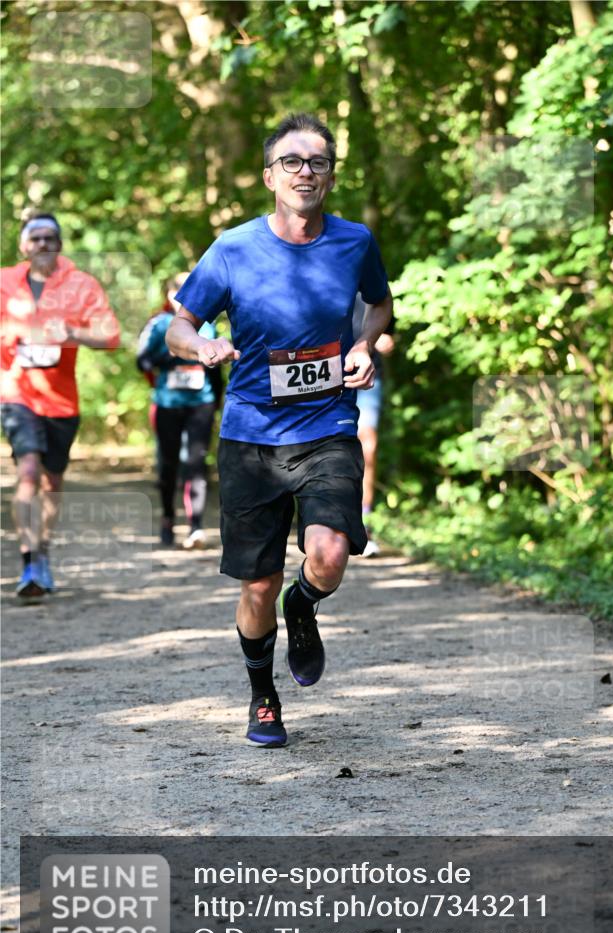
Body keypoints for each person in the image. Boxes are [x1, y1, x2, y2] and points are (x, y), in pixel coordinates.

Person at [166, 112, 393, 748]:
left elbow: (379, 303)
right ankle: (262, 695)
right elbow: (179, 326)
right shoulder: (233, 249)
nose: (304, 172)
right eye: (291, 162)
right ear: (270, 176)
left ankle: (305, 602)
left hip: (328, 425)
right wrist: (203, 347)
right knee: (257, 585)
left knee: (330, 554)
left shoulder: (355, 242)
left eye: (317, 162)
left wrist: (363, 344)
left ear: (331, 177)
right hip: (251, 436)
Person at [0, 212, 120, 598]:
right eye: (35, 238)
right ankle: (29, 561)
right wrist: (14, 333)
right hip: (16, 392)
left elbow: (110, 335)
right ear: (23, 246)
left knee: (51, 482)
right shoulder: (4, 281)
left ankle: (43, 552)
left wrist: (71, 332)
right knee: (28, 471)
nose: (42, 244)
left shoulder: (81, 285)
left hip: (61, 400)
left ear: (60, 244)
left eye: (50, 237)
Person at [137, 273, 220, 548]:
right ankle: (168, 519)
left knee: (196, 463)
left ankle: (195, 527)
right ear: (169, 294)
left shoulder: (208, 325)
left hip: (201, 403)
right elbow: (142, 361)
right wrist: (174, 355)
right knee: (168, 464)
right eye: (177, 291)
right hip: (167, 404)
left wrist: (217, 399)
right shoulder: (159, 324)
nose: (183, 296)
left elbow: (216, 369)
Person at [352, 293, 394, 557]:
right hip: (327, 377)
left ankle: (364, 526)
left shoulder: (374, 282)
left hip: (367, 376)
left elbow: (387, 331)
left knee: (368, 446)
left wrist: (384, 340)